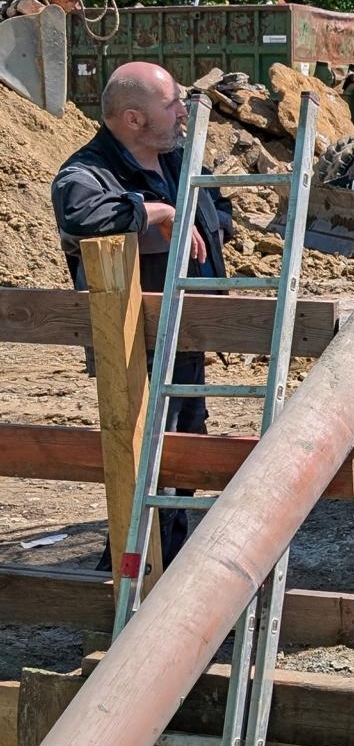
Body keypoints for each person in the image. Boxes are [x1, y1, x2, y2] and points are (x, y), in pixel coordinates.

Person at [52, 62, 233, 566]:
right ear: (133, 119)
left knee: (178, 464)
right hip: (136, 351)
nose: (183, 112)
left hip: (188, 339)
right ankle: (130, 581)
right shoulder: (86, 173)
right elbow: (83, 215)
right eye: (172, 103)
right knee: (144, 468)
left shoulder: (182, 162)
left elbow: (220, 215)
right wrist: (158, 212)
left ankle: (157, 573)